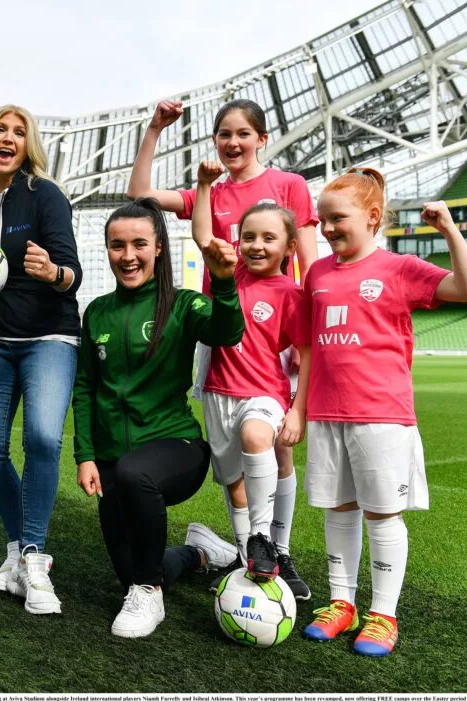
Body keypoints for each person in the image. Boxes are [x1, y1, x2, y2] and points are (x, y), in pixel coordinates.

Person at [283, 168, 467, 657]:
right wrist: (300, 408)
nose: (328, 229)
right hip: (329, 415)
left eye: (338, 218)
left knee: (382, 515)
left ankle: (384, 614)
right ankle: (341, 604)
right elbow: (309, 347)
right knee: (338, 510)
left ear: (373, 218)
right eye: (323, 220)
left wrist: (449, 230)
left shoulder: (399, 269)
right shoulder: (318, 273)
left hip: (382, 416)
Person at [129, 98, 318, 597]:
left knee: (275, 445)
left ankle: (280, 550)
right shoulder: (207, 194)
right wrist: (154, 131)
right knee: (231, 462)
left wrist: (307, 326)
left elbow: (309, 259)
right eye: (223, 134)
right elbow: (140, 194)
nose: (232, 142)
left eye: (242, 133)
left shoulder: (289, 187)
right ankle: (248, 554)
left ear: (261, 138)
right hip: (222, 336)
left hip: (274, 329)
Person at [72, 197, 244, 638]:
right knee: (130, 568)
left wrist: (224, 283)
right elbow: (86, 388)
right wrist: (86, 456)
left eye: (139, 244)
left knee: (135, 478)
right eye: (117, 245)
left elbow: (228, 332)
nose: (127, 256)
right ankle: (195, 554)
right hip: (114, 460)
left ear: (160, 247)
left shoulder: (185, 304)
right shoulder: (96, 313)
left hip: (177, 448)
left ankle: (149, 595)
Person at [0, 104, 82, 615]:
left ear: (26, 144)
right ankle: (20, 550)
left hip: (51, 337)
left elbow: (74, 271)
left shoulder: (45, 194)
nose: (9, 137)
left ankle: (33, 557)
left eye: (19, 131)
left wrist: (50, 271)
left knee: (42, 436)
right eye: (1, 130)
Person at [193, 160, 311, 595]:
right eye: (249, 237)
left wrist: (298, 409)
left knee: (259, 439)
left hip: (263, 392)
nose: (257, 245)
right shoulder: (227, 275)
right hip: (217, 391)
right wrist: (205, 184)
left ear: (289, 247)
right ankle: (249, 558)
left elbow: (308, 351)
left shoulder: (291, 294)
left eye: (269, 238)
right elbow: (205, 236)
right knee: (233, 480)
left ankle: (268, 541)